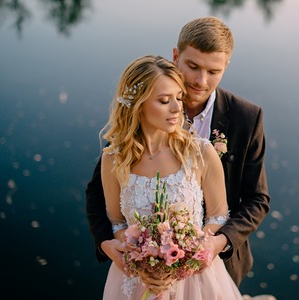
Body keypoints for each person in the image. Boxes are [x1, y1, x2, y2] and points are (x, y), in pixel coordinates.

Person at [86, 16, 270, 287]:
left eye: (213, 71)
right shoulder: (145, 108)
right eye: (193, 66)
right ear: (176, 56)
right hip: (143, 269)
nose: (200, 81)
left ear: (226, 67)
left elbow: (257, 199)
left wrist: (213, 245)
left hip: (217, 265)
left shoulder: (246, 117)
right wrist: (110, 244)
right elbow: (99, 192)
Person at [99, 55, 243, 299]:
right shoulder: (114, 159)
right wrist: (142, 256)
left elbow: (218, 215)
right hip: (137, 280)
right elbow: (117, 223)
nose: (178, 108)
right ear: (139, 104)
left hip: (194, 279)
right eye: (165, 101)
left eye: (179, 98)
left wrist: (185, 255)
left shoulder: (200, 152)